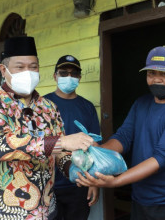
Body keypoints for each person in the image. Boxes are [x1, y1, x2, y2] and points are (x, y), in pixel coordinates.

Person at [0, 36, 94, 220]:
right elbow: (1, 146)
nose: (28, 72)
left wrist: (73, 169)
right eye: (20, 67)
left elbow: (59, 151)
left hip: (45, 210)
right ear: (3, 70)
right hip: (0, 211)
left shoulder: (49, 107)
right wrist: (63, 141)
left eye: (33, 67)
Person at [76, 46, 165, 220]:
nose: (156, 79)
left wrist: (116, 181)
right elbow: (123, 137)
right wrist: (97, 158)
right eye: (151, 73)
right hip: (141, 196)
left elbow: (161, 158)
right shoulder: (141, 104)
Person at [44, 55, 100, 219]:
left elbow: (95, 147)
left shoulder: (87, 107)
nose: (69, 77)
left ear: (79, 78)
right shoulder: (43, 105)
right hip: (48, 183)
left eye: (74, 73)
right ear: (55, 76)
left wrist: (94, 182)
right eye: (63, 73)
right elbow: (34, 143)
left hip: (80, 183)